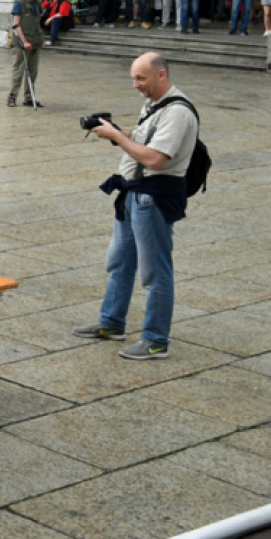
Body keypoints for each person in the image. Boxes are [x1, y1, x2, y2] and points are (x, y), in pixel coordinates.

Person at [76, 52, 200, 361]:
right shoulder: (154, 104)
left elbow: (155, 158)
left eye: (141, 78)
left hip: (154, 197)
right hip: (134, 193)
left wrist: (117, 137)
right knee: (119, 262)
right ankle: (111, 322)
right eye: (134, 78)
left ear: (161, 75)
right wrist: (116, 131)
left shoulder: (177, 112)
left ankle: (156, 340)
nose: (135, 85)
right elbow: (144, 140)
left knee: (155, 272)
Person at [6, 0, 44, 108]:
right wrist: (24, 41)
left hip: (35, 42)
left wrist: (40, 38)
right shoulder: (19, 4)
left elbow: (37, 22)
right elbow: (16, 24)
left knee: (32, 72)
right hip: (21, 43)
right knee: (18, 71)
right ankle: (12, 97)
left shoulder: (38, 4)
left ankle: (29, 97)